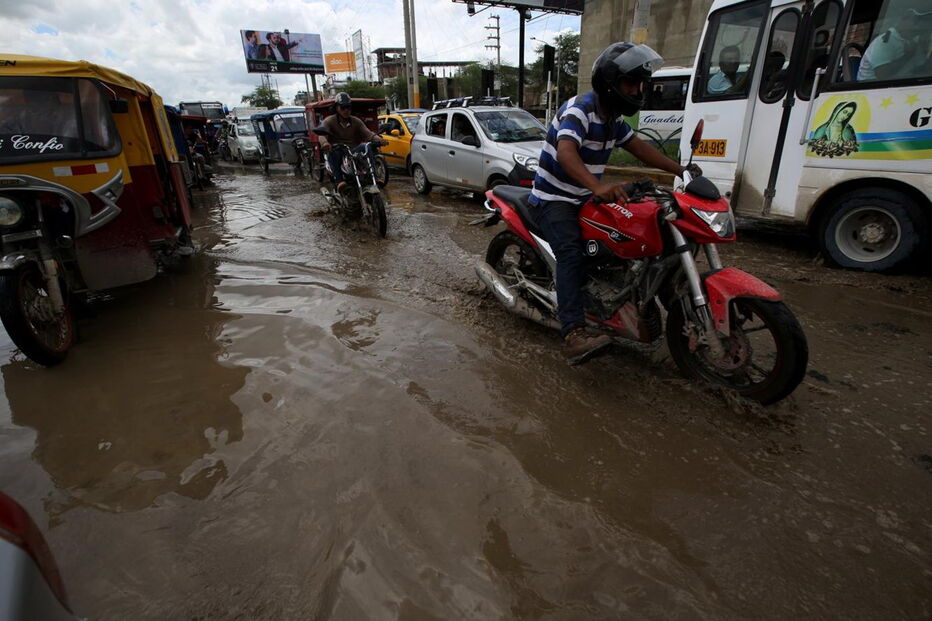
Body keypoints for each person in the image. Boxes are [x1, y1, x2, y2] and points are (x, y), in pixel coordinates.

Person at [529, 42, 701, 365]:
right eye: (630, 83)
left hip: (583, 195)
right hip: (554, 199)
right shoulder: (581, 109)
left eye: (639, 84)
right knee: (571, 252)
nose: (636, 90)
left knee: (620, 239)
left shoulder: (613, 119)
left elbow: (639, 148)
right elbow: (566, 152)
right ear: (609, 84)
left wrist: (681, 170)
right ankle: (573, 332)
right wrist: (598, 186)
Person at [318, 92, 386, 193]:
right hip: (337, 150)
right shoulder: (329, 121)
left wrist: (379, 139)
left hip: (353, 149)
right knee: (333, 152)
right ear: (337, 108)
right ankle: (339, 181)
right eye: (343, 107)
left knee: (365, 146)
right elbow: (322, 135)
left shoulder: (356, 121)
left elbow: (368, 133)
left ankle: (373, 177)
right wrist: (325, 143)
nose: (346, 110)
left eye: (348, 107)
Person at [857, 10, 931, 81]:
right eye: (915, 22)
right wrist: (908, 55)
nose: (918, 26)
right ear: (903, 21)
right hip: (874, 88)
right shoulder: (885, 42)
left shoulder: (910, 41)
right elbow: (882, 74)